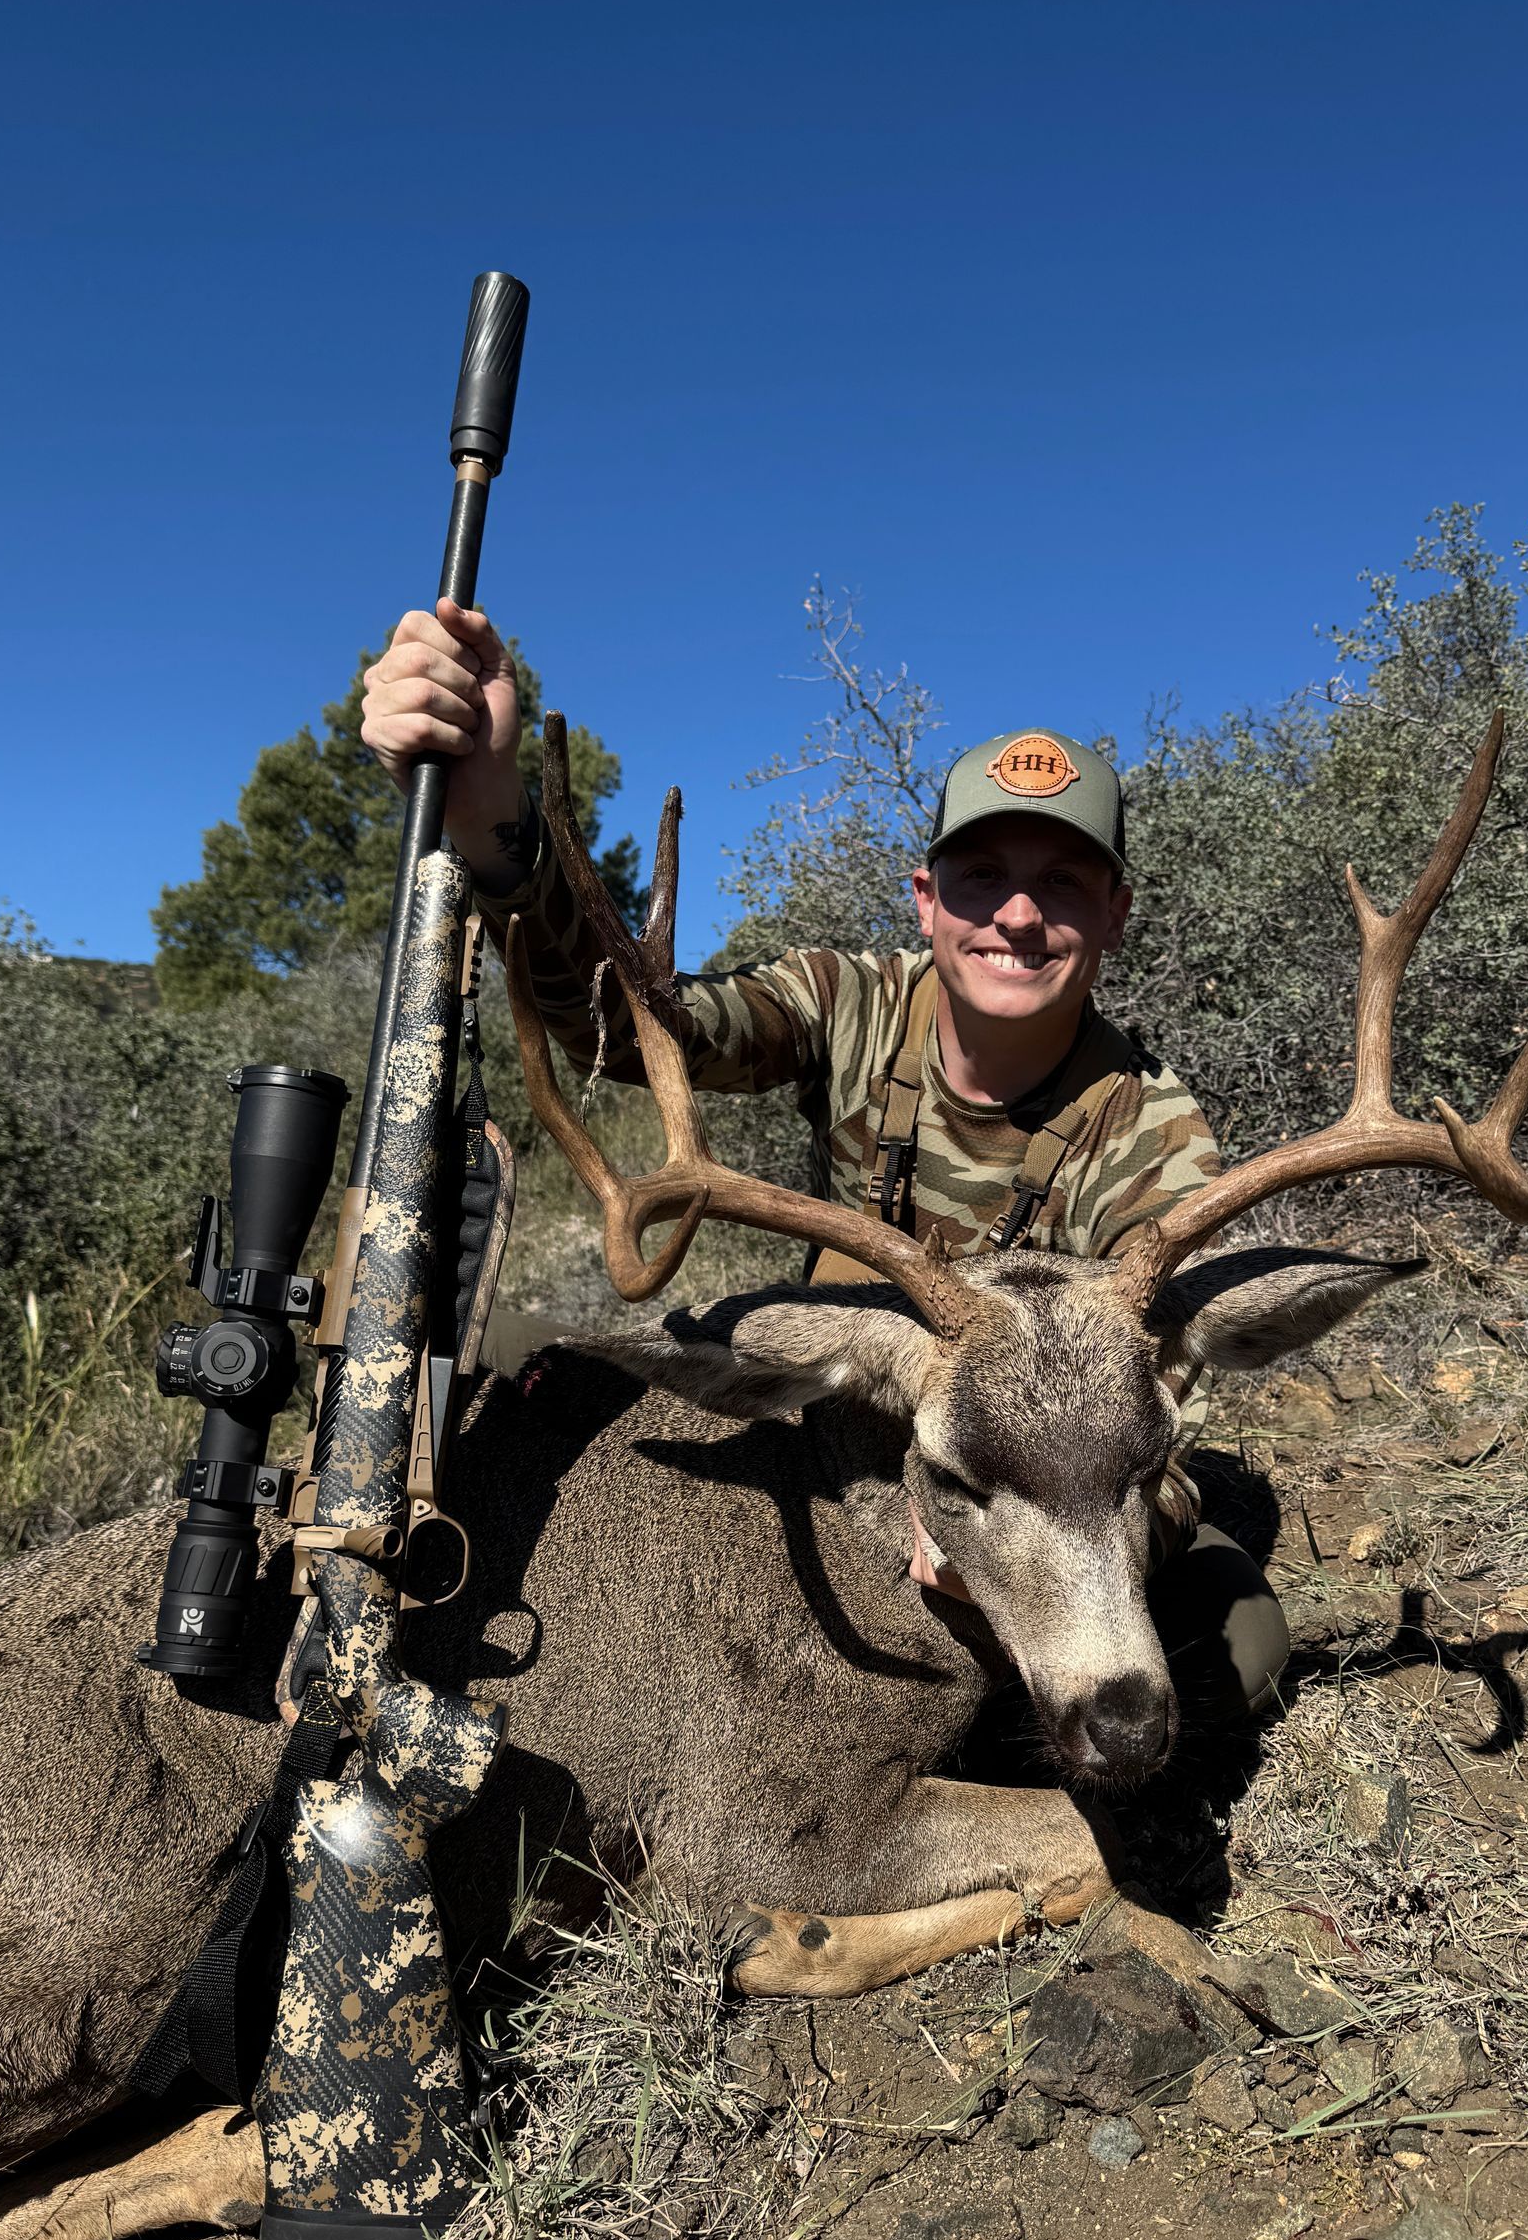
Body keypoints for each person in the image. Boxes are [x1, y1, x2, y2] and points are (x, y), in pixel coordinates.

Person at [360, 599, 1288, 1714]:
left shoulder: (1155, 1139)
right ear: (927, 898)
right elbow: (635, 1029)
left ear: (1116, 913)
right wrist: (495, 822)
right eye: (983, 874)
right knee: (487, 1369)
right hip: (828, 1397)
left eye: (1067, 882)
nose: (1021, 915)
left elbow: (1158, 1455)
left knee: (1239, 1656)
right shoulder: (848, 1003)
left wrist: (989, 1532)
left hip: (1024, 1499)